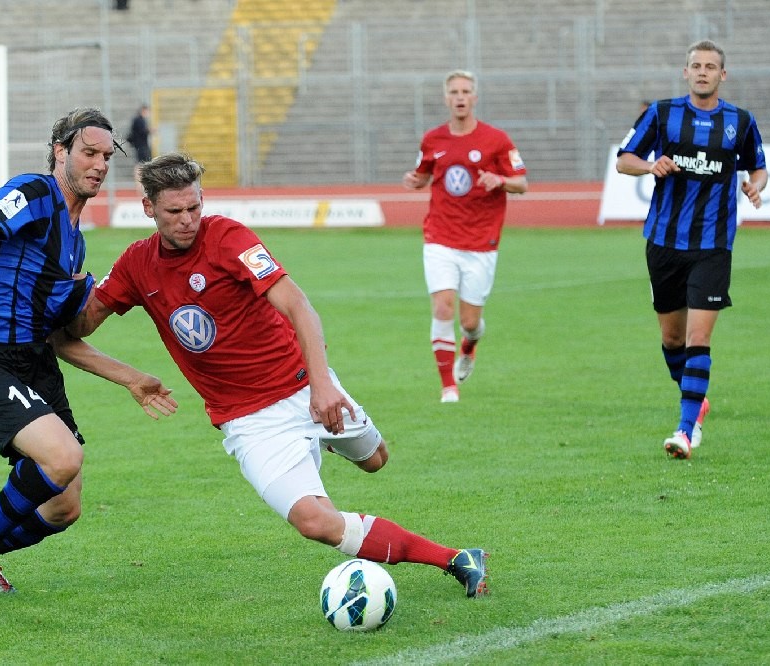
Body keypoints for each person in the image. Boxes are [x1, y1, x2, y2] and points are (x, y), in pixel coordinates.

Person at [65, 152, 490, 599]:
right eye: (174, 211)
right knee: (315, 522)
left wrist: (321, 385)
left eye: (194, 207)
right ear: (148, 207)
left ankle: (324, 439)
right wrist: (68, 301)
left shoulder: (228, 237)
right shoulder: (136, 264)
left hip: (304, 385)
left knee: (374, 460)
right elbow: (76, 330)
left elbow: (298, 305)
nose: (187, 220)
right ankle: (456, 558)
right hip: (249, 422)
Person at [0, 108, 178, 613]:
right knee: (63, 457)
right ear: (60, 151)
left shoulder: (74, 246)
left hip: (35, 362)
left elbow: (61, 341)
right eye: (88, 153)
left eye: (106, 156)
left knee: (63, 507)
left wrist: (131, 378)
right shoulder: (34, 192)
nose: (99, 165)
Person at [616, 39, 767, 459]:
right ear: (686, 73)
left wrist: (755, 185)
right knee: (672, 339)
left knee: (698, 337)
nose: (703, 72)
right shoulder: (662, 113)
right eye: (696, 66)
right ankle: (697, 401)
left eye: (710, 66)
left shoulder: (740, 121)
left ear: (723, 74)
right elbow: (624, 159)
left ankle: (685, 430)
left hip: (713, 245)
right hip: (664, 243)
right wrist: (650, 165)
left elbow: (758, 166)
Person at [402, 70, 528, 403]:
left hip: (481, 243)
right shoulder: (432, 140)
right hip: (440, 237)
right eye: (454, 92)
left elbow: (522, 183)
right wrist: (415, 180)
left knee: (470, 322)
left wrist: (500, 181)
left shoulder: (497, 140)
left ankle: (470, 344)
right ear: (446, 98)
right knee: (443, 308)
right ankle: (448, 387)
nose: (460, 97)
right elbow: (423, 174)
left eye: (466, 91)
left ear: (475, 97)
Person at [126, 103, 154, 188]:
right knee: (140, 164)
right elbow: (142, 131)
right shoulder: (139, 120)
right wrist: (150, 130)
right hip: (141, 146)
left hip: (141, 145)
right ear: (143, 110)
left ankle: (141, 183)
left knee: (142, 163)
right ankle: (139, 183)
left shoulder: (139, 120)